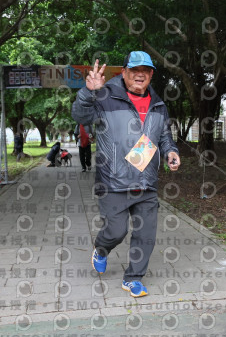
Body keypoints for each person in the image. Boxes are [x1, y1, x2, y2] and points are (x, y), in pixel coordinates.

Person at [72, 51, 181, 297]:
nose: (140, 75)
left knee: (146, 235)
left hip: (147, 181)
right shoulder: (105, 96)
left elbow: (164, 136)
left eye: (145, 70)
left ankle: (133, 278)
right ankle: (102, 249)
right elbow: (80, 115)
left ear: (151, 74)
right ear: (124, 72)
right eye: (134, 70)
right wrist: (88, 92)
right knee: (116, 230)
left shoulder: (158, 104)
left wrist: (171, 151)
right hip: (113, 181)